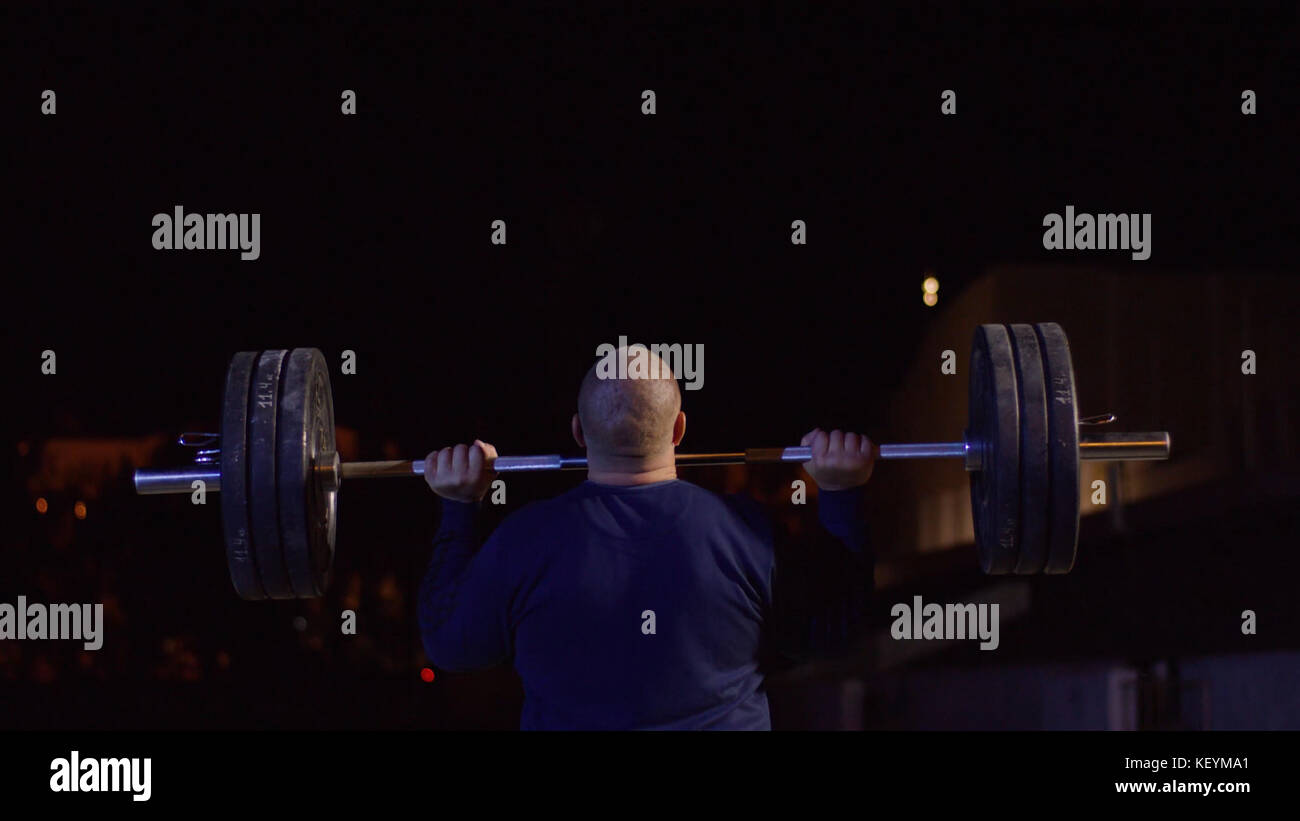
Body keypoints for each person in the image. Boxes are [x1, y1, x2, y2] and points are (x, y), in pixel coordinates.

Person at [418, 346, 876, 729]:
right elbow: (834, 635)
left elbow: (449, 646)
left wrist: (459, 508)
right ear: (679, 428)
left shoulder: (523, 539)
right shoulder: (749, 531)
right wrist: (840, 496)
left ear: (578, 430)